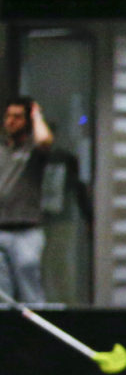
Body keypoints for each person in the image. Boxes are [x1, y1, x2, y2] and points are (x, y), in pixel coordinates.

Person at [0, 97, 54, 303]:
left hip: (26, 231)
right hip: (1, 228)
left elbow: (45, 140)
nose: (11, 121)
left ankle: (35, 323)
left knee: (29, 285)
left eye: (17, 117)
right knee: (3, 294)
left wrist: (36, 115)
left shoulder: (32, 150)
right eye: (8, 116)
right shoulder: (2, 149)